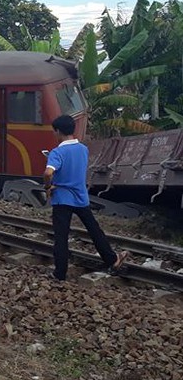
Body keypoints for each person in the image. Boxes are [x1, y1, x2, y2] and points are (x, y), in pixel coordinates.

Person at [43, 115, 129, 281]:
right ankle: (112, 259)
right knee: (94, 230)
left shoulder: (57, 152)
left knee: (61, 236)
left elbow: (48, 173)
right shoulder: (83, 149)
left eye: (54, 131)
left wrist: (48, 186)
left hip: (62, 198)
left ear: (58, 131)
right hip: (81, 197)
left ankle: (59, 274)